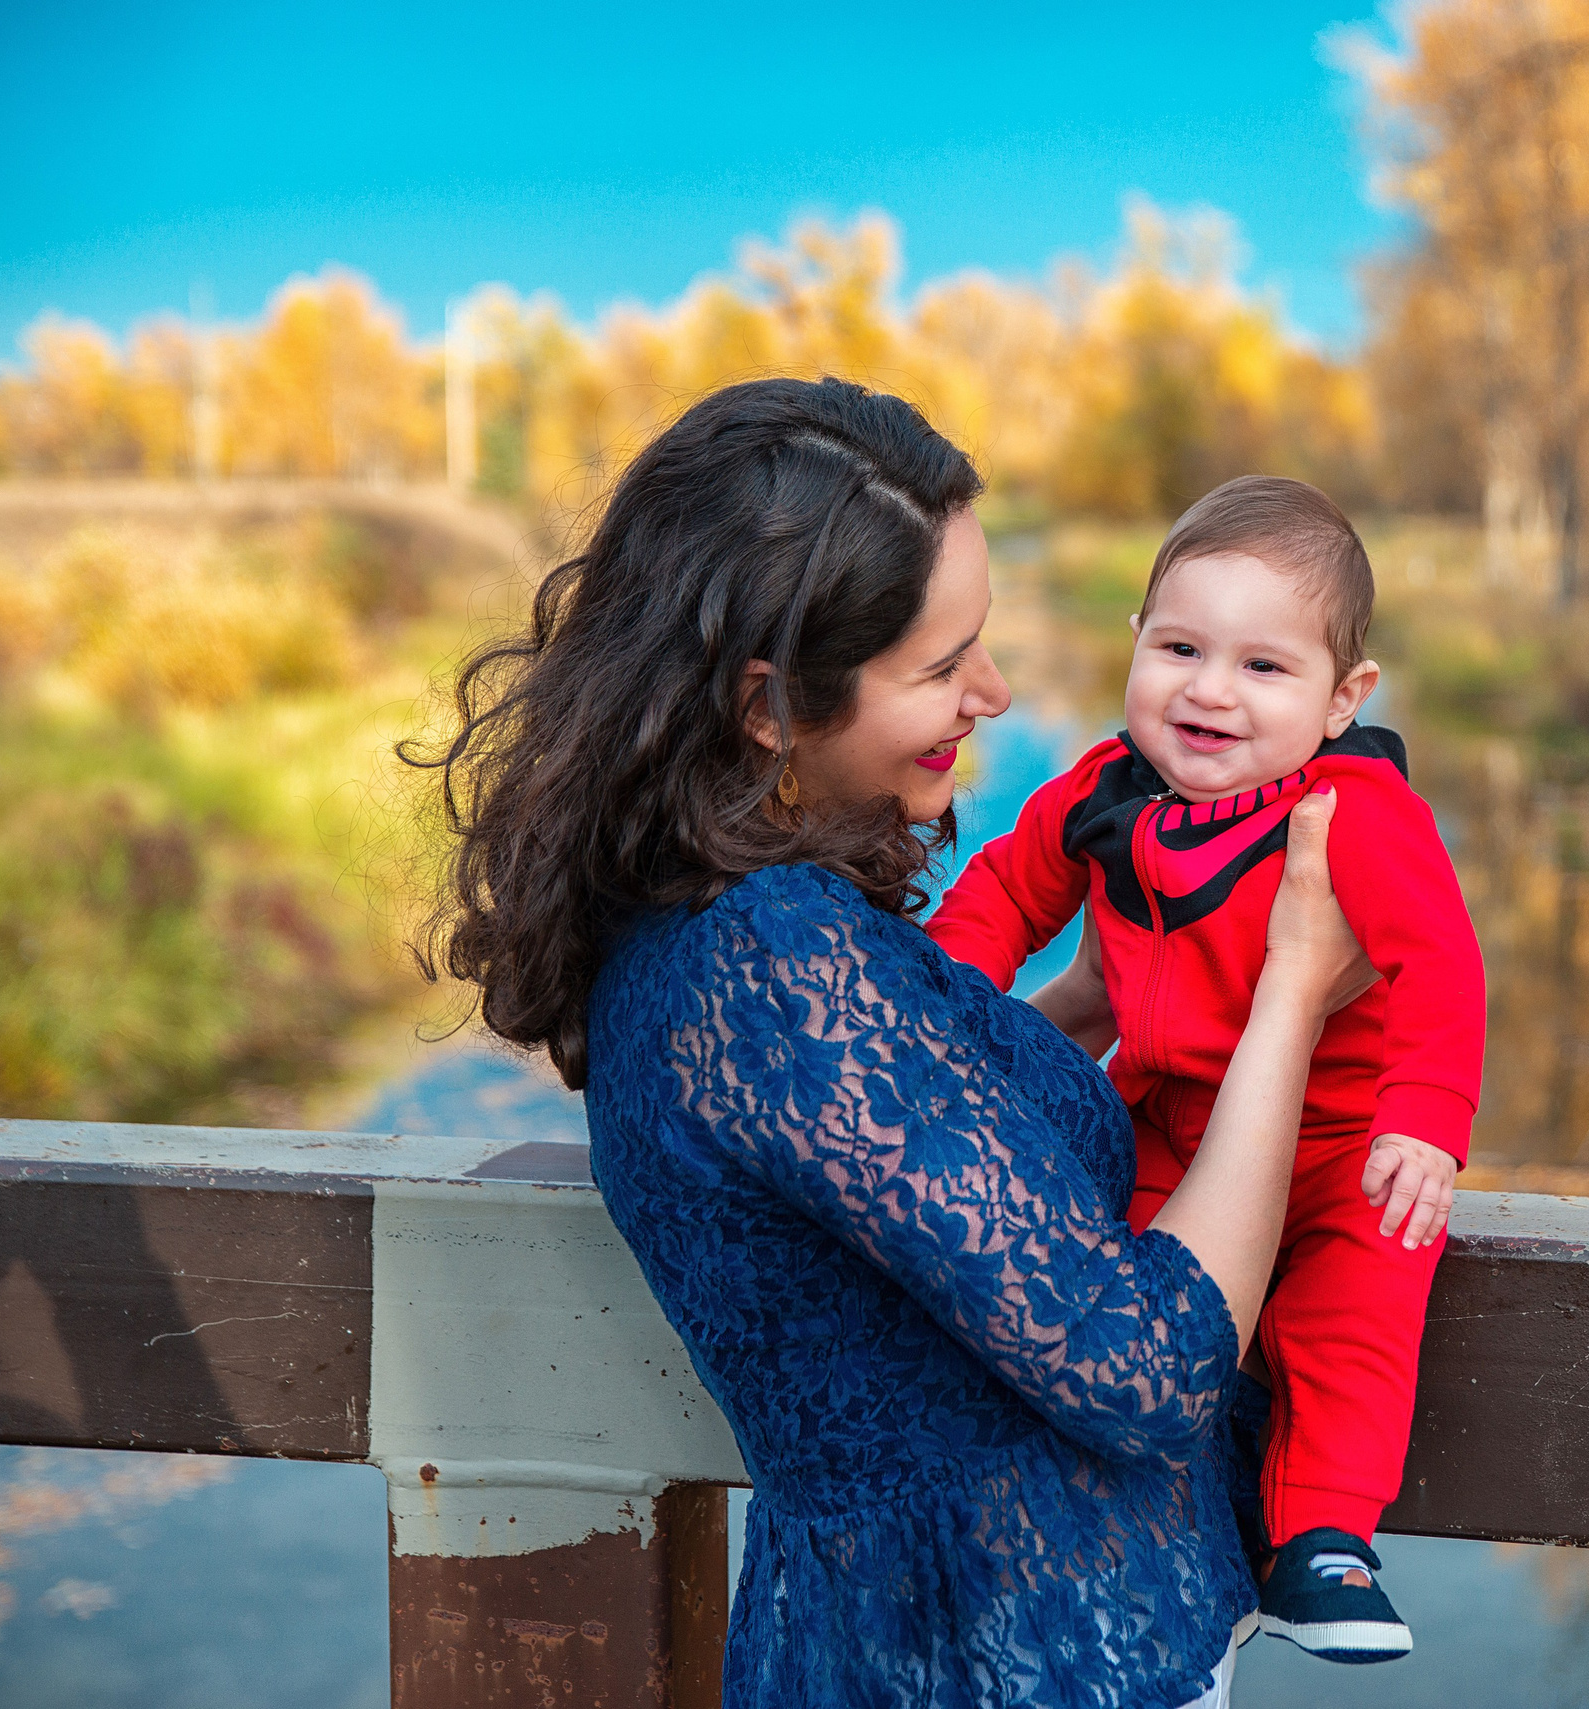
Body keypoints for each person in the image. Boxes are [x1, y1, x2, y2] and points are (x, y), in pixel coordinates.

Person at [403, 378, 1373, 1709]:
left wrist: (1087, 997)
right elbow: (1147, 1366)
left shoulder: (725, 922)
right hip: (984, 1665)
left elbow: (900, 1159)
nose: (995, 689)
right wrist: (1291, 998)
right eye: (939, 665)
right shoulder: (770, 960)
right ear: (767, 704)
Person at [926, 477, 1487, 1664]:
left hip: (1338, 1147)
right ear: (1135, 643)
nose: (1210, 690)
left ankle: (1323, 1541)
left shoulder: (1354, 812)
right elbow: (1002, 899)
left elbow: (1438, 961)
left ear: (1345, 699)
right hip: (1169, 1122)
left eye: (1264, 668)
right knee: (1115, 1312)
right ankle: (1141, 1521)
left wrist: (1424, 1120)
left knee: (1355, 1312)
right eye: (1180, 646)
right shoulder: (1103, 790)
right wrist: (935, 1011)